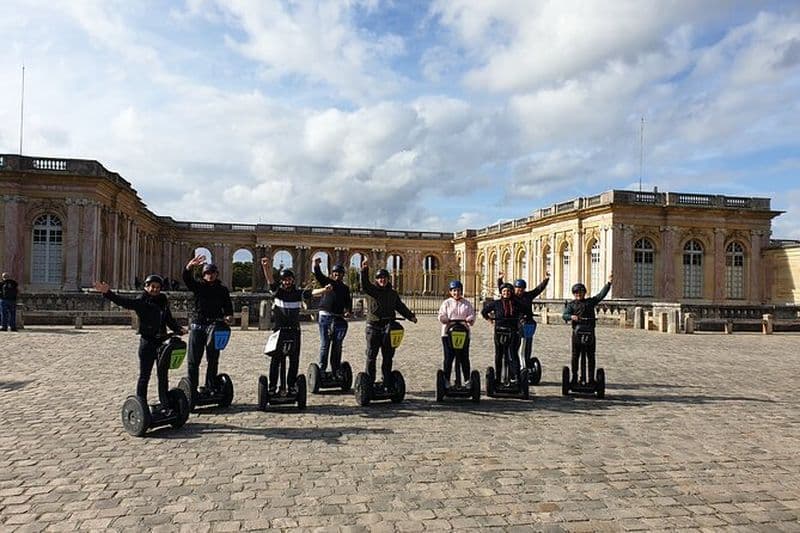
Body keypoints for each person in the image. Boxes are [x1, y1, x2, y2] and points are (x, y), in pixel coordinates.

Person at [94, 275, 186, 412]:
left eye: (158, 287)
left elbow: (168, 319)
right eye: (152, 286)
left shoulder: (163, 300)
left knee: (163, 374)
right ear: (146, 287)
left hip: (162, 341)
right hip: (148, 342)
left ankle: (165, 402)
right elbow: (124, 302)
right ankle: (141, 406)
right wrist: (108, 293)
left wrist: (178, 329)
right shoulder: (141, 301)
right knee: (145, 375)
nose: (155, 289)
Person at [261, 258, 330, 395]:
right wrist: (266, 266)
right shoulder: (277, 292)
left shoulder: (298, 293)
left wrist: (324, 289)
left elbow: (311, 293)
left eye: (289, 279)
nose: (287, 282)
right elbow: (270, 280)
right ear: (282, 281)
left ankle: (291, 385)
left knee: (294, 360)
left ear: (292, 280)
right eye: (285, 280)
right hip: (279, 331)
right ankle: (272, 386)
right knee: (276, 360)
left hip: (294, 331)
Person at [182, 257, 234, 405]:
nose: (210, 275)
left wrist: (229, 316)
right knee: (194, 360)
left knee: (213, 358)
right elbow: (187, 279)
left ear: (216, 274)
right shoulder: (198, 286)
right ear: (203, 275)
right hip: (198, 325)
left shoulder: (222, 290)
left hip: (215, 325)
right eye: (207, 273)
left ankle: (210, 386)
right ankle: (192, 389)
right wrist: (189, 267)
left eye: (212, 272)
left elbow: (228, 308)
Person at [360, 258, 417, 390]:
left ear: (388, 279)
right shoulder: (371, 290)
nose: (382, 280)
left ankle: (386, 380)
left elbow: (400, 306)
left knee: (388, 356)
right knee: (371, 355)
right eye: (380, 278)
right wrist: (364, 270)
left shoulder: (392, 293)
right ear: (376, 280)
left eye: (385, 278)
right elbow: (364, 284)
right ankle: (369, 381)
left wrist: (410, 316)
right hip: (373, 327)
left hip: (389, 327)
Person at [562, 274, 613, 385]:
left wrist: (608, 284)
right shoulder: (571, 305)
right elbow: (564, 315)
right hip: (577, 334)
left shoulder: (590, 302)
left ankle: (591, 379)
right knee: (575, 356)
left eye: (580, 292)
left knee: (591, 356)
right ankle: (574, 378)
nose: (578, 295)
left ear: (584, 293)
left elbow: (600, 295)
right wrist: (571, 316)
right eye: (576, 293)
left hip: (590, 333)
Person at [497, 271, 550, 372]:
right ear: (514, 288)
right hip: (515, 324)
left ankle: (526, 362)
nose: (519, 290)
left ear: (524, 289)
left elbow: (538, 289)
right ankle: (515, 365)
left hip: (527, 324)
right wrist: (500, 279)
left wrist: (546, 279)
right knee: (515, 346)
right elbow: (502, 288)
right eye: (517, 288)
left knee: (527, 345)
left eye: (521, 288)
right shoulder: (512, 297)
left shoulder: (528, 296)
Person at [313, 257, 353, 377]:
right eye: (335, 273)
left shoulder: (345, 288)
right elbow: (319, 275)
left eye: (340, 273)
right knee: (325, 344)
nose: (337, 275)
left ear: (343, 275)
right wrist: (316, 265)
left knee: (337, 344)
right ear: (332, 273)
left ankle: (336, 369)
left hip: (338, 318)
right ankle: (322, 369)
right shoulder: (328, 283)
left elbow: (348, 303)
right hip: (325, 316)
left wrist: (348, 311)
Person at [481, 282, 526, 383]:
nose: (506, 293)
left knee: (512, 354)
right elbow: (484, 311)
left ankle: (515, 377)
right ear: (501, 292)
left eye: (508, 291)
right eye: (504, 291)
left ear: (511, 292)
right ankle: (498, 377)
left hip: (513, 330)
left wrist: (522, 318)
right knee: (499, 354)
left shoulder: (516, 303)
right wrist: (489, 319)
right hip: (499, 331)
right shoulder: (496, 303)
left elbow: (525, 311)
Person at [437, 280, 476, 388]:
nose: (456, 293)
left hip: (463, 334)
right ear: (450, 292)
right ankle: (446, 380)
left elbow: (472, 315)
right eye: (454, 291)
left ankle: (467, 380)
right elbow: (441, 315)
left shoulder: (467, 303)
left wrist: (470, 319)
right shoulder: (446, 303)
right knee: (449, 357)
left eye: (458, 290)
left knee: (464, 357)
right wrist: (444, 319)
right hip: (447, 334)